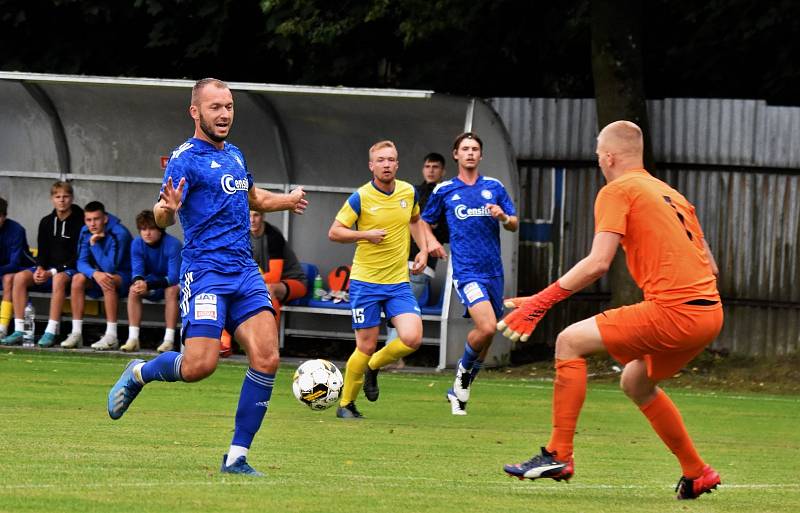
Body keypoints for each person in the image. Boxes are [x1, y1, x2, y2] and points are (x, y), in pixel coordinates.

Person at [498, 121, 723, 500]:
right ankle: (697, 472)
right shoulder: (671, 194)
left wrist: (539, 302)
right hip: (710, 314)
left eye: (598, 154)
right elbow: (711, 267)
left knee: (569, 342)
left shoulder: (617, 190)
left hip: (675, 312)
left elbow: (597, 263)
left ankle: (558, 454)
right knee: (636, 382)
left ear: (608, 156)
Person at [106, 78, 307, 477]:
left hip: (244, 271)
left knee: (267, 358)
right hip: (206, 273)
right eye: (215, 107)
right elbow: (163, 211)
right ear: (195, 112)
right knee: (200, 366)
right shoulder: (184, 159)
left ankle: (236, 457)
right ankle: (139, 373)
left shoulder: (235, 154)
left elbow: (251, 196)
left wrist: (285, 200)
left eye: (229, 106)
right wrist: (168, 210)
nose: (225, 114)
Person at [328, 140, 428, 419]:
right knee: (366, 345)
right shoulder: (360, 197)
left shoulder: (409, 191)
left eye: (391, 159)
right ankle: (346, 404)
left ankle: (373, 366)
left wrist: (423, 249)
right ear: (372, 165)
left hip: (398, 282)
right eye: (381, 160)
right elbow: (335, 232)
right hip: (366, 283)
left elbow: (415, 220)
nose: (386, 164)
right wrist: (365, 235)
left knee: (413, 337)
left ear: (397, 164)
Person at [420, 132, 518, 415]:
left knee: (487, 336)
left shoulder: (494, 187)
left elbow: (513, 223)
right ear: (456, 155)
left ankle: (459, 389)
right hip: (467, 271)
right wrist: (433, 243)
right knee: (486, 327)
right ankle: (461, 381)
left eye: (475, 149)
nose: (470, 153)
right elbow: (425, 223)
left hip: (494, 272)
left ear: (481, 155)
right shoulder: (445, 190)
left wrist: (503, 217)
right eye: (465, 149)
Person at [1, 182, 83, 347]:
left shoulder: (80, 222)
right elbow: (43, 251)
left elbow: (77, 256)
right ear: (52, 199)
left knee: (59, 279)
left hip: (69, 270)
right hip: (47, 269)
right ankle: (19, 329)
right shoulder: (46, 221)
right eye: (58, 197)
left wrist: (51, 272)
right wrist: (39, 268)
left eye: (65, 197)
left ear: (72, 198)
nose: (62, 200)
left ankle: (50, 331)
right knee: (19, 278)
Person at [384, 153, 450, 358]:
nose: (431, 170)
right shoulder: (412, 192)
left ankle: (389, 357)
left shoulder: (445, 195)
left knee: (402, 309)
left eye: (435, 167)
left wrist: (434, 231)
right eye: (427, 166)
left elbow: (448, 232)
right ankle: (391, 356)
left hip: (421, 263)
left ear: (443, 171)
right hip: (398, 259)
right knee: (393, 309)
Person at [218, 210, 308, 358]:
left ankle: (271, 346)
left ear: (263, 216)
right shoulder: (242, 236)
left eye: (256, 215)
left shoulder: (273, 236)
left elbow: (274, 276)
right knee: (229, 290)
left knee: (270, 289)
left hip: (294, 282)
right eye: (249, 215)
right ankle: (225, 344)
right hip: (260, 283)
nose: (252, 220)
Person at [60, 201, 133, 350]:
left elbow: (111, 267)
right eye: (88, 220)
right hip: (99, 273)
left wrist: (94, 245)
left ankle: (112, 336)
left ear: (105, 218)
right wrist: (94, 273)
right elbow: (81, 262)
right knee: (77, 279)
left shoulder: (120, 233)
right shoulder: (85, 231)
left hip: (124, 276)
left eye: (96, 219)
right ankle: (76, 333)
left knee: (108, 280)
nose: (92, 224)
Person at [120, 210, 182, 353]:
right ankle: (133, 339)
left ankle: (169, 340)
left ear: (160, 229)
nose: (147, 233)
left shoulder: (173, 244)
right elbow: (137, 270)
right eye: (143, 229)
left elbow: (174, 277)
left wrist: (148, 285)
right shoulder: (137, 243)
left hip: (174, 284)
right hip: (152, 282)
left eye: (151, 228)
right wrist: (140, 282)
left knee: (171, 290)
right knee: (133, 289)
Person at [0, 197, 34, 340]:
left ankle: (2, 328)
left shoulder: (16, 230)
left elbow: (15, 263)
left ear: (4, 216)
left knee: (8, 278)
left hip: (23, 268)